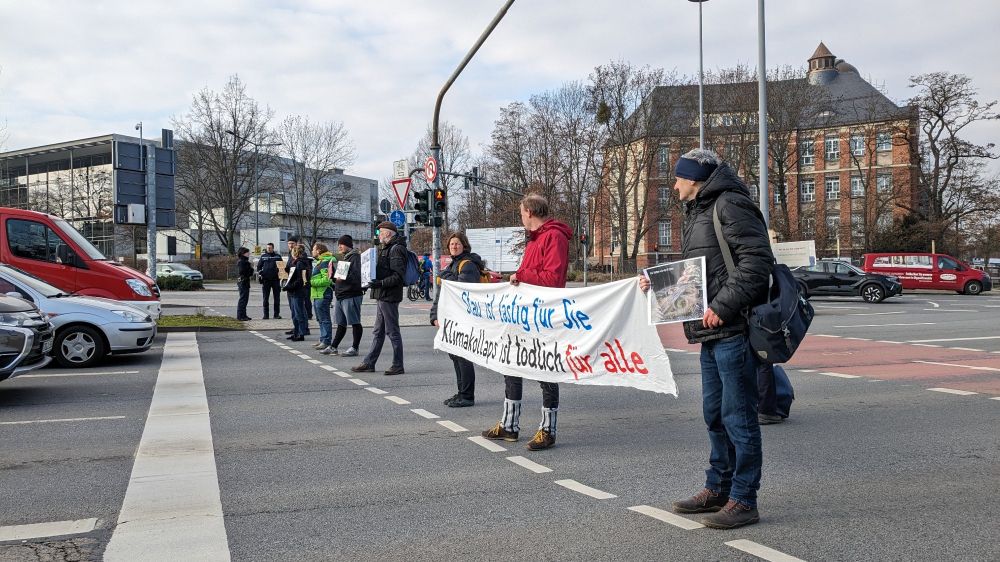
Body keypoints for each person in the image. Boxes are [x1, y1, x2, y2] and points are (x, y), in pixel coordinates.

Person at [639, 148, 773, 529]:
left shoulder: (730, 205)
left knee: (738, 417)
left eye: (679, 178)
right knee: (714, 414)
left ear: (695, 178)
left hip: (732, 328)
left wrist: (725, 306)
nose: (675, 184)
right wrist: (658, 281)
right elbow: (697, 274)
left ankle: (744, 499)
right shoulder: (699, 211)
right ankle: (718, 487)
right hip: (711, 332)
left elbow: (757, 261)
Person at [481, 194, 571, 451]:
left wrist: (520, 275)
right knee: (512, 362)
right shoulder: (535, 239)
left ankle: (548, 429)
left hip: (543, 314)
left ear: (529, 212)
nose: (520, 216)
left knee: (545, 368)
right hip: (524, 313)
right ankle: (510, 424)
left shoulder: (553, 237)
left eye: (521, 212)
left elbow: (552, 278)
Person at [430, 232, 486, 408]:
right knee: (455, 356)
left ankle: (467, 395)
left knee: (463, 357)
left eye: (457, 244)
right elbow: (440, 295)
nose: (454, 246)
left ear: (464, 246)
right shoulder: (453, 265)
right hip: (451, 318)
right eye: (452, 244)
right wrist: (434, 316)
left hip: (463, 318)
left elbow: (462, 290)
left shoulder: (467, 265)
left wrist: (444, 278)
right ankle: (461, 392)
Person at [351, 221, 406, 376]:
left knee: (392, 331)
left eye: (380, 232)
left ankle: (398, 364)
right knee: (378, 331)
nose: (379, 235)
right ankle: (369, 363)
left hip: (389, 296)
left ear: (388, 233)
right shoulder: (386, 248)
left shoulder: (396, 249)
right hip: (382, 295)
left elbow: (398, 276)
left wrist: (380, 283)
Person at [325, 235, 363, 357]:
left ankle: (355, 348)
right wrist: (333, 277)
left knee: (355, 322)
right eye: (338, 244)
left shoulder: (355, 257)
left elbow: (357, 277)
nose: (339, 246)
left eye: (341, 244)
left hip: (351, 294)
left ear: (348, 245)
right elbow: (341, 279)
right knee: (341, 323)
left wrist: (341, 276)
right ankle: (333, 346)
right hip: (341, 295)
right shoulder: (345, 258)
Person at [310, 242, 336, 351]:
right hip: (318, 294)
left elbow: (327, 280)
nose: (312, 251)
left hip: (323, 293)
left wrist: (312, 282)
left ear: (319, 250)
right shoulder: (320, 261)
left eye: (313, 249)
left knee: (324, 318)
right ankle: (322, 339)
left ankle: (326, 341)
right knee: (320, 318)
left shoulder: (325, 262)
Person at [283, 245, 311, 341]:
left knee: (299, 313)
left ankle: (301, 333)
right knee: (295, 314)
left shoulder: (300, 263)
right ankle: (296, 332)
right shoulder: (296, 262)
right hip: (294, 291)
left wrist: (289, 286)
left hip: (297, 291)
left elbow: (299, 279)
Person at [256, 242, 282, 319]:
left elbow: (282, 268)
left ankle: (276, 314)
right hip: (266, 280)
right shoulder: (263, 256)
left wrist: (281, 276)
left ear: (273, 248)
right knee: (265, 298)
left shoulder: (277, 256)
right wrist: (261, 273)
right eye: (267, 248)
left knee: (277, 298)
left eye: (270, 248)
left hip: (276, 280)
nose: (269, 249)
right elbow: (259, 267)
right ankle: (266, 315)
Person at [235, 247, 253, 321]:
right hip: (243, 282)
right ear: (243, 253)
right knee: (243, 299)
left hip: (244, 282)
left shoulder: (244, 261)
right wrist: (251, 269)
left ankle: (244, 315)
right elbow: (243, 272)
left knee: (245, 299)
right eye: (247, 252)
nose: (249, 254)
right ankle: (240, 316)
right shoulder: (242, 262)